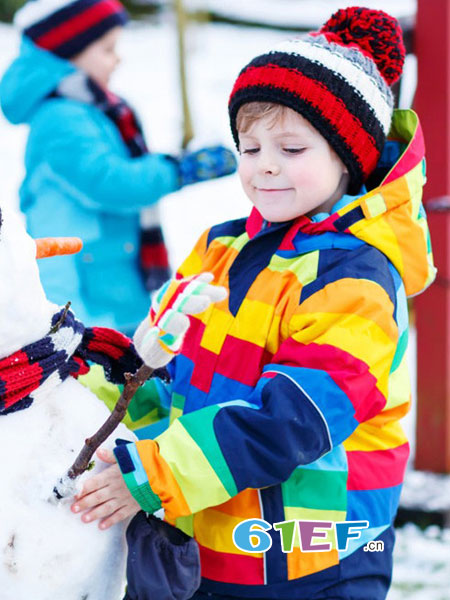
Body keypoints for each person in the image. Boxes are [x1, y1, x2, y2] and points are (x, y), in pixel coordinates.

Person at [71, 7, 436, 600]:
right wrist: (84, 376)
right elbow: (163, 373)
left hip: (312, 557)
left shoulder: (356, 277)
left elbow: (296, 417)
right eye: (250, 145)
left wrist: (156, 473)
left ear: (349, 156)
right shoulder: (221, 244)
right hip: (205, 529)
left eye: (291, 147)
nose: (264, 164)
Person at [0, 0, 236, 335]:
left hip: (109, 268)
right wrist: (178, 169)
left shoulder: (92, 109)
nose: (118, 58)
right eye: (108, 49)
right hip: (78, 283)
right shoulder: (61, 118)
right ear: (69, 54)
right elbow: (110, 183)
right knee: (93, 370)